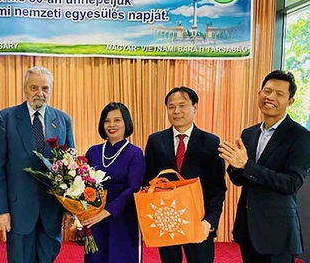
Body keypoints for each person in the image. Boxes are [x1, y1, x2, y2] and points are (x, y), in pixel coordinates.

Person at [219, 70, 310, 263]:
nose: (270, 97)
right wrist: (235, 166)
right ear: (259, 93)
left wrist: (246, 165)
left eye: (279, 94)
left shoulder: (300, 136)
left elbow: (291, 183)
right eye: (267, 91)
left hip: (278, 233)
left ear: (290, 101)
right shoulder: (249, 133)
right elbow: (238, 180)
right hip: (248, 230)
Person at [0, 66, 75, 263]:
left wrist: (69, 208)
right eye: (34, 87)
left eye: (45, 88)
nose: (40, 93)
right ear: (25, 89)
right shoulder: (5, 118)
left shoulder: (63, 120)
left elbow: (71, 167)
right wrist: (1, 210)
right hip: (19, 211)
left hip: (52, 211)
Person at [144, 87, 226, 263]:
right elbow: (148, 182)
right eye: (171, 107)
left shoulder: (211, 142)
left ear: (195, 108)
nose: (177, 111)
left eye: (182, 105)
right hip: (166, 221)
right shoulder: (155, 141)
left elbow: (217, 188)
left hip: (199, 222)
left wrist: (209, 222)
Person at [81, 102, 145, 263]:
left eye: (117, 120)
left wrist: (107, 212)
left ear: (126, 123)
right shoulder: (93, 151)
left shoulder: (135, 153)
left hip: (123, 219)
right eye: (107, 121)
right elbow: (82, 183)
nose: (112, 125)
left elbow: (133, 189)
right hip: (95, 219)